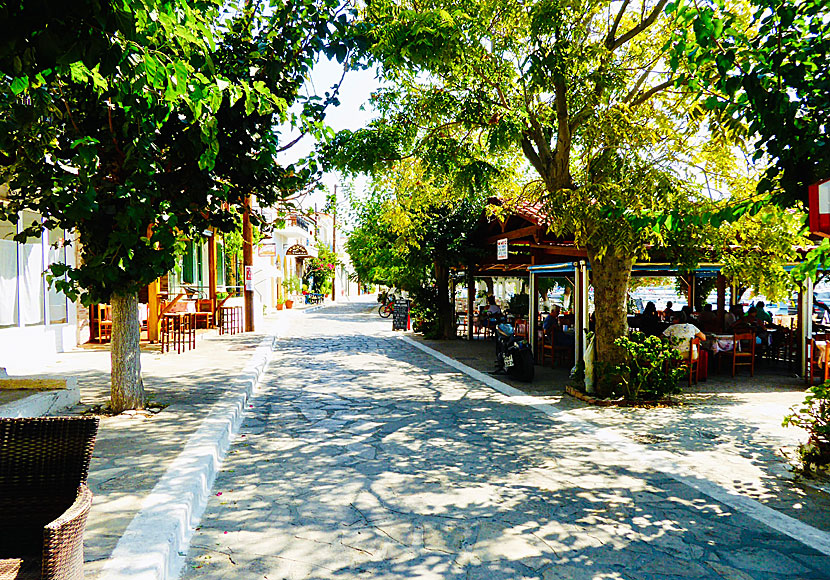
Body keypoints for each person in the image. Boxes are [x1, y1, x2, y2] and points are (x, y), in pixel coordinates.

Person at [662, 311, 708, 380]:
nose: (672, 320)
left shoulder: (672, 327)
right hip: (692, 354)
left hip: (676, 354)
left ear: (677, 319)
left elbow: (661, 337)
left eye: (673, 318)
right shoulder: (691, 327)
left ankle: (670, 374)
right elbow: (703, 338)